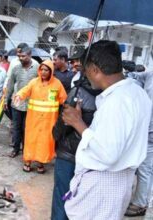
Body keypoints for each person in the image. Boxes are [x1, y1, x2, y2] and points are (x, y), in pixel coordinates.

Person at [62, 40, 152, 219]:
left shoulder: (116, 101)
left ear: (95, 69)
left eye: (85, 71)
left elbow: (108, 154)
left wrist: (78, 123)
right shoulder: (138, 93)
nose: (85, 76)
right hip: (120, 180)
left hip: (103, 183)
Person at [51, 74, 102, 218]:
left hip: (69, 154)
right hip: (94, 157)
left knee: (63, 196)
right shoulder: (111, 97)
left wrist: (56, 136)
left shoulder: (78, 92)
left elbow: (63, 124)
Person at [13, 60, 67, 173]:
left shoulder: (57, 84)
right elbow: (25, 90)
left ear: (51, 71)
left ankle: (40, 163)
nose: (43, 72)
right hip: (33, 119)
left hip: (49, 121)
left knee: (45, 142)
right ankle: (27, 161)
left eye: (46, 70)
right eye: (41, 69)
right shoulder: (34, 82)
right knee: (31, 140)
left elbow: (64, 99)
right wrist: (18, 96)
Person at [123, 70, 153, 217]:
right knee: (142, 168)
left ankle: (140, 203)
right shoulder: (149, 75)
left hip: (150, 134)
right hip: (144, 130)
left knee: (145, 170)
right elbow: (134, 76)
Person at [6, 46, 39, 158]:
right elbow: (10, 85)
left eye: (23, 56)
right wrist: (6, 99)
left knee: (27, 128)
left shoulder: (37, 68)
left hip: (31, 105)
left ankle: (26, 149)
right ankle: (15, 148)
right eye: (19, 56)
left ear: (29, 55)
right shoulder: (16, 68)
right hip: (17, 103)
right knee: (16, 127)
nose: (20, 58)